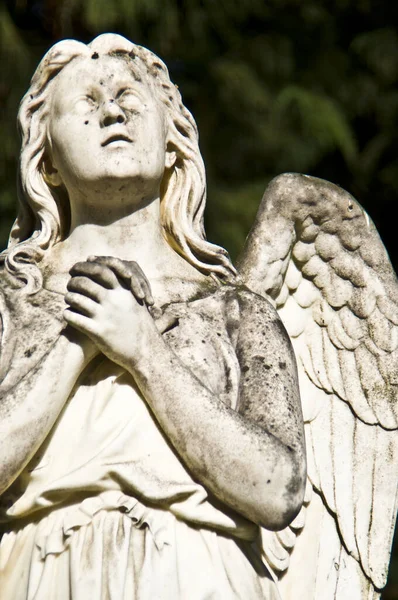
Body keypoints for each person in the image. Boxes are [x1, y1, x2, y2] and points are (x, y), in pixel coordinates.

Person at [0, 34, 306, 599]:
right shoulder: (11, 299)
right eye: (87, 103)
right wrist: (81, 339)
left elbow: (278, 490)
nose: (112, 111)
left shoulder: (234, 310)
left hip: (198, 574)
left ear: (172, 145)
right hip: (42, 569)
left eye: (129, 99)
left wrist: (143, 349)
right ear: (47, 163)